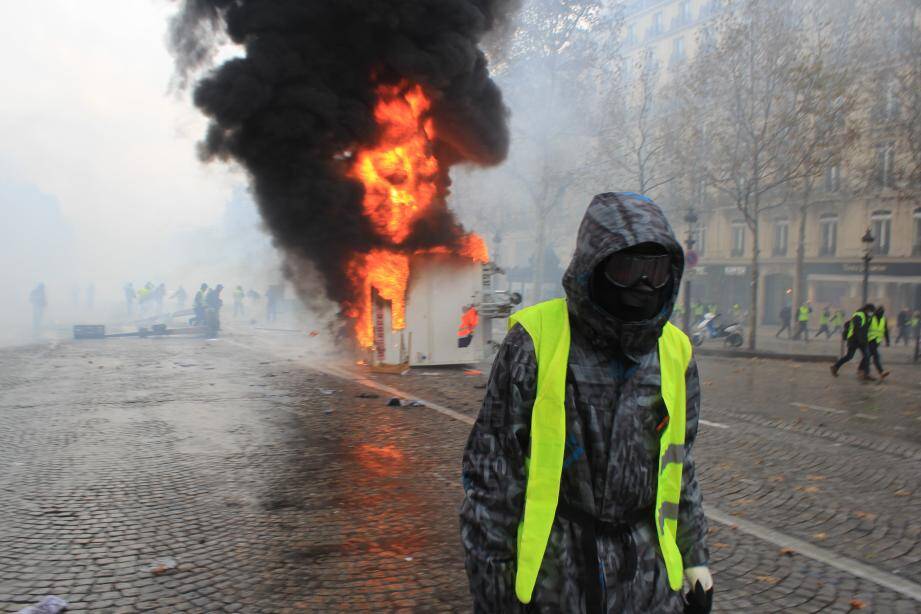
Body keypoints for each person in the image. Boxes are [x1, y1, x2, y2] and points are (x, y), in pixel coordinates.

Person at [460, 193, 712, 614]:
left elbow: (679, 466)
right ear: (594, 266)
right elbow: (493, 479)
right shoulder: (535, 340)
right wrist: (493, 589)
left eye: (655, 270)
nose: (642, 285)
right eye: (626, 269)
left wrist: (695, 557)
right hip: (559, 579)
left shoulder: (675, 351)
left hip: (650, 580)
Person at [830, 304, 875, 380]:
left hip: (862, 340)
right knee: (849, 356)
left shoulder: (868, 317)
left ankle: (865, 374)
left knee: (867, 356)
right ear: (867, 309)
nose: (871, 313)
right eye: (871, 311)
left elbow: (865, 330)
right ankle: (835, 367)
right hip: (854, 340)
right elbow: (856, 328)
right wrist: (860, 339)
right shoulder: (859, 315)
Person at [863, 305, 890, 380]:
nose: (881, 313)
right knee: (876, 356)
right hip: (869, 340)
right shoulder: (871, 318)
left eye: (882, 312)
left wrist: (888, 341)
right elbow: (865, 328)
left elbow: (886, 330)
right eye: (880, 312)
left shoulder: (884, 319)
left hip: (877, 341)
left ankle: (862, 371)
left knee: (868, 356)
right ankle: (881, 372)